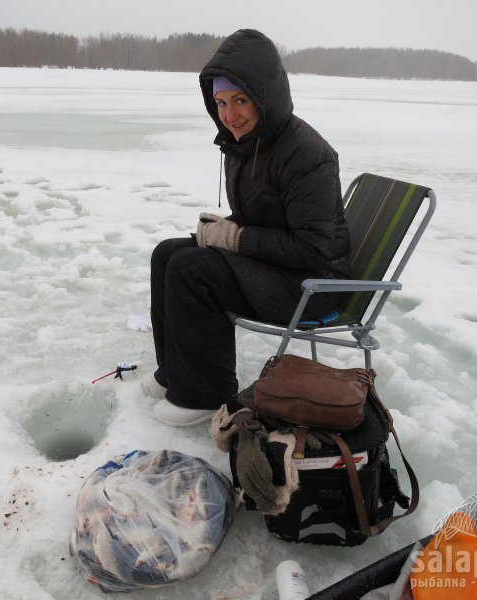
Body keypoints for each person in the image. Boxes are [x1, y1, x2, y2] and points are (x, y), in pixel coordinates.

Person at [145, 29, 350, 426]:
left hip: (313, 284)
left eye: (240, 100)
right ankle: (174, 372)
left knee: (193, 271)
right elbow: (266, 215)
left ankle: (204, 394)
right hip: (280, 268)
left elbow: (313, 249)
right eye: (221, 102)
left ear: (265, 96)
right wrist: (227, 226)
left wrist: (234, 237)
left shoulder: (307, 154)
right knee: (168, 253)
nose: (230, 115)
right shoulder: (247, 142)